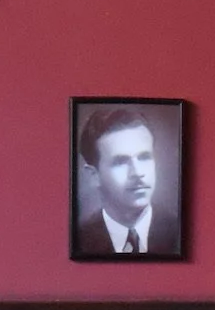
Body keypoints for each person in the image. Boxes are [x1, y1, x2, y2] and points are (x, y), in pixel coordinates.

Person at [74, 106, 177, 256]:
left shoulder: (180, 231)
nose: (137, 173)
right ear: (93, 175)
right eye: (120, 162)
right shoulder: (80, 240)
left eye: (144, 157)